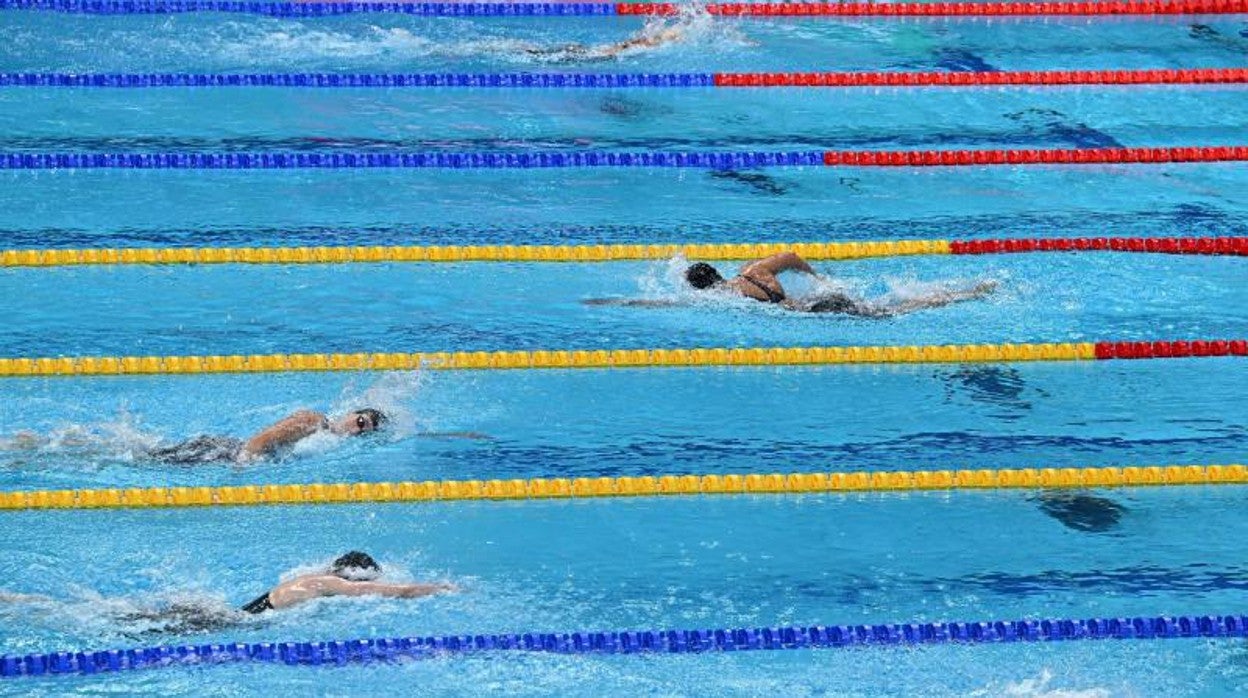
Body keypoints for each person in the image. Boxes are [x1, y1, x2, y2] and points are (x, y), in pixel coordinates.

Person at [683, 251, 998, 317]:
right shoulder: (752, 271)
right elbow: (791, 256)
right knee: (890, 306)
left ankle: (965, 295)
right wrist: (817, 278)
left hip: (818, 312)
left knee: (894, 311)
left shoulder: (724, 296)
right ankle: (965, 292)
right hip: (822, 299)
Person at [239, 551, 456, 615]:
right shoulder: (334, 583)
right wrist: (441, 588)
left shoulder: (314, 578)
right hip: (250, 621)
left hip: (252, 612)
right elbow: (402, 592)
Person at [145, 408, 387, 465]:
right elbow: (265, 437)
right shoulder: (315, 421)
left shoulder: (327, 438)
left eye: (362, 432)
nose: (356, 430)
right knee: (145, 459)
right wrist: (244, 461)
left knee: (149, 458)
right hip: (223, 452)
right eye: (360, 422)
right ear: (351, 412)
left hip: (227, 453)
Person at [522, 19, 688, 63]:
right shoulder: (641, 46)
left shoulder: (638, 45)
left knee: (543, 53)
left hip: (592, 51)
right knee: (543, 55)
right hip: (592, 54)